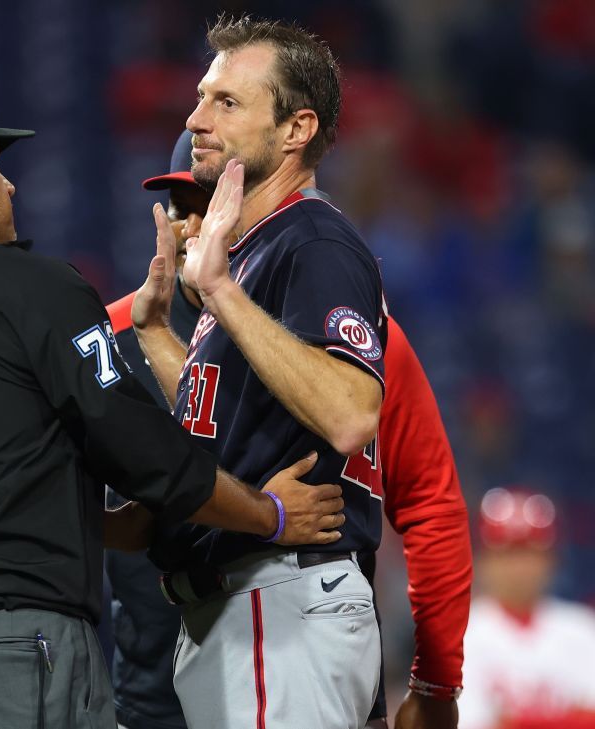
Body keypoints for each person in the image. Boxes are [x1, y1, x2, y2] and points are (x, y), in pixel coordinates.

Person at [0, 76, 347, 729]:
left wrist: (106, 521)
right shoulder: (32, 289)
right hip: (0, 646)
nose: (10, 186)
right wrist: (270, 513)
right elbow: (150, 457)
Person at [107, 129, 472, 729]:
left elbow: (431, 505)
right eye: (182, 209)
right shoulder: (115, 336)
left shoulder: (354, 340)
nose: (196, 227)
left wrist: (436, 678)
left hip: (297, 649)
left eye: (211, 206)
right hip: (156, 681)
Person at [128, 17, 389, 728]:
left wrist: (220, 292)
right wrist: (155, 330)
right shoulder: (251, 259)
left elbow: (350, 410)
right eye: (202, 97)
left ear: (297, 128)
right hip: (246, 606)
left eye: (226, 102)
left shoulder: (312, 240)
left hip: (281, 601)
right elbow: (228, 415)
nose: (196, 117)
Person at [459, 487, 595, 729]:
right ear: (482, 560)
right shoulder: (458, 634)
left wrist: (514, 721)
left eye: (530, 552)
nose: (519, 567)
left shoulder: (583, 628)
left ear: (552, 559)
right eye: (507, 553)